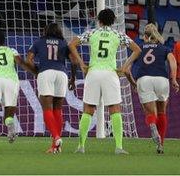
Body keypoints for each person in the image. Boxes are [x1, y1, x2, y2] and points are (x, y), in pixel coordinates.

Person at [68, 8, 141, 155]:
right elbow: (137, 49)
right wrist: (125, 66)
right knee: (114, 109)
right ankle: (119, 147)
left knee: (88, 109)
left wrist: (82, 64)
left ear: (99, 21)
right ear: (113, 21)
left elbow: (71, 44)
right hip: (110, 74)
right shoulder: (118, 34)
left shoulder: (92, 33)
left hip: (93, 73)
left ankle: (81, 146)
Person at [124, 23, 178, 154]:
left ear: (145, 36)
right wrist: (174, 79)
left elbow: (126, 69)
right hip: (162, 80)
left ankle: (152, 125)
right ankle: (161, 146)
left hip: (144, 79)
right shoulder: (165, 49)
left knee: (149, 113)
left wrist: (133, 83)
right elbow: (173, 61)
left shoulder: (139, 48)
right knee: (161, 112)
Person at [24, 23, 75, 153]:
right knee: (58, 109)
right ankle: (55, 146)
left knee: (47, 109)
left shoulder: (39, 42)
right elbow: (74, 61)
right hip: (62, 74)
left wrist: (36, 71)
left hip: (46, 73)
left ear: (45, 31)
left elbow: (28, 60)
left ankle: (56, 137)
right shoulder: (64, 43)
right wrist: (73, 78)